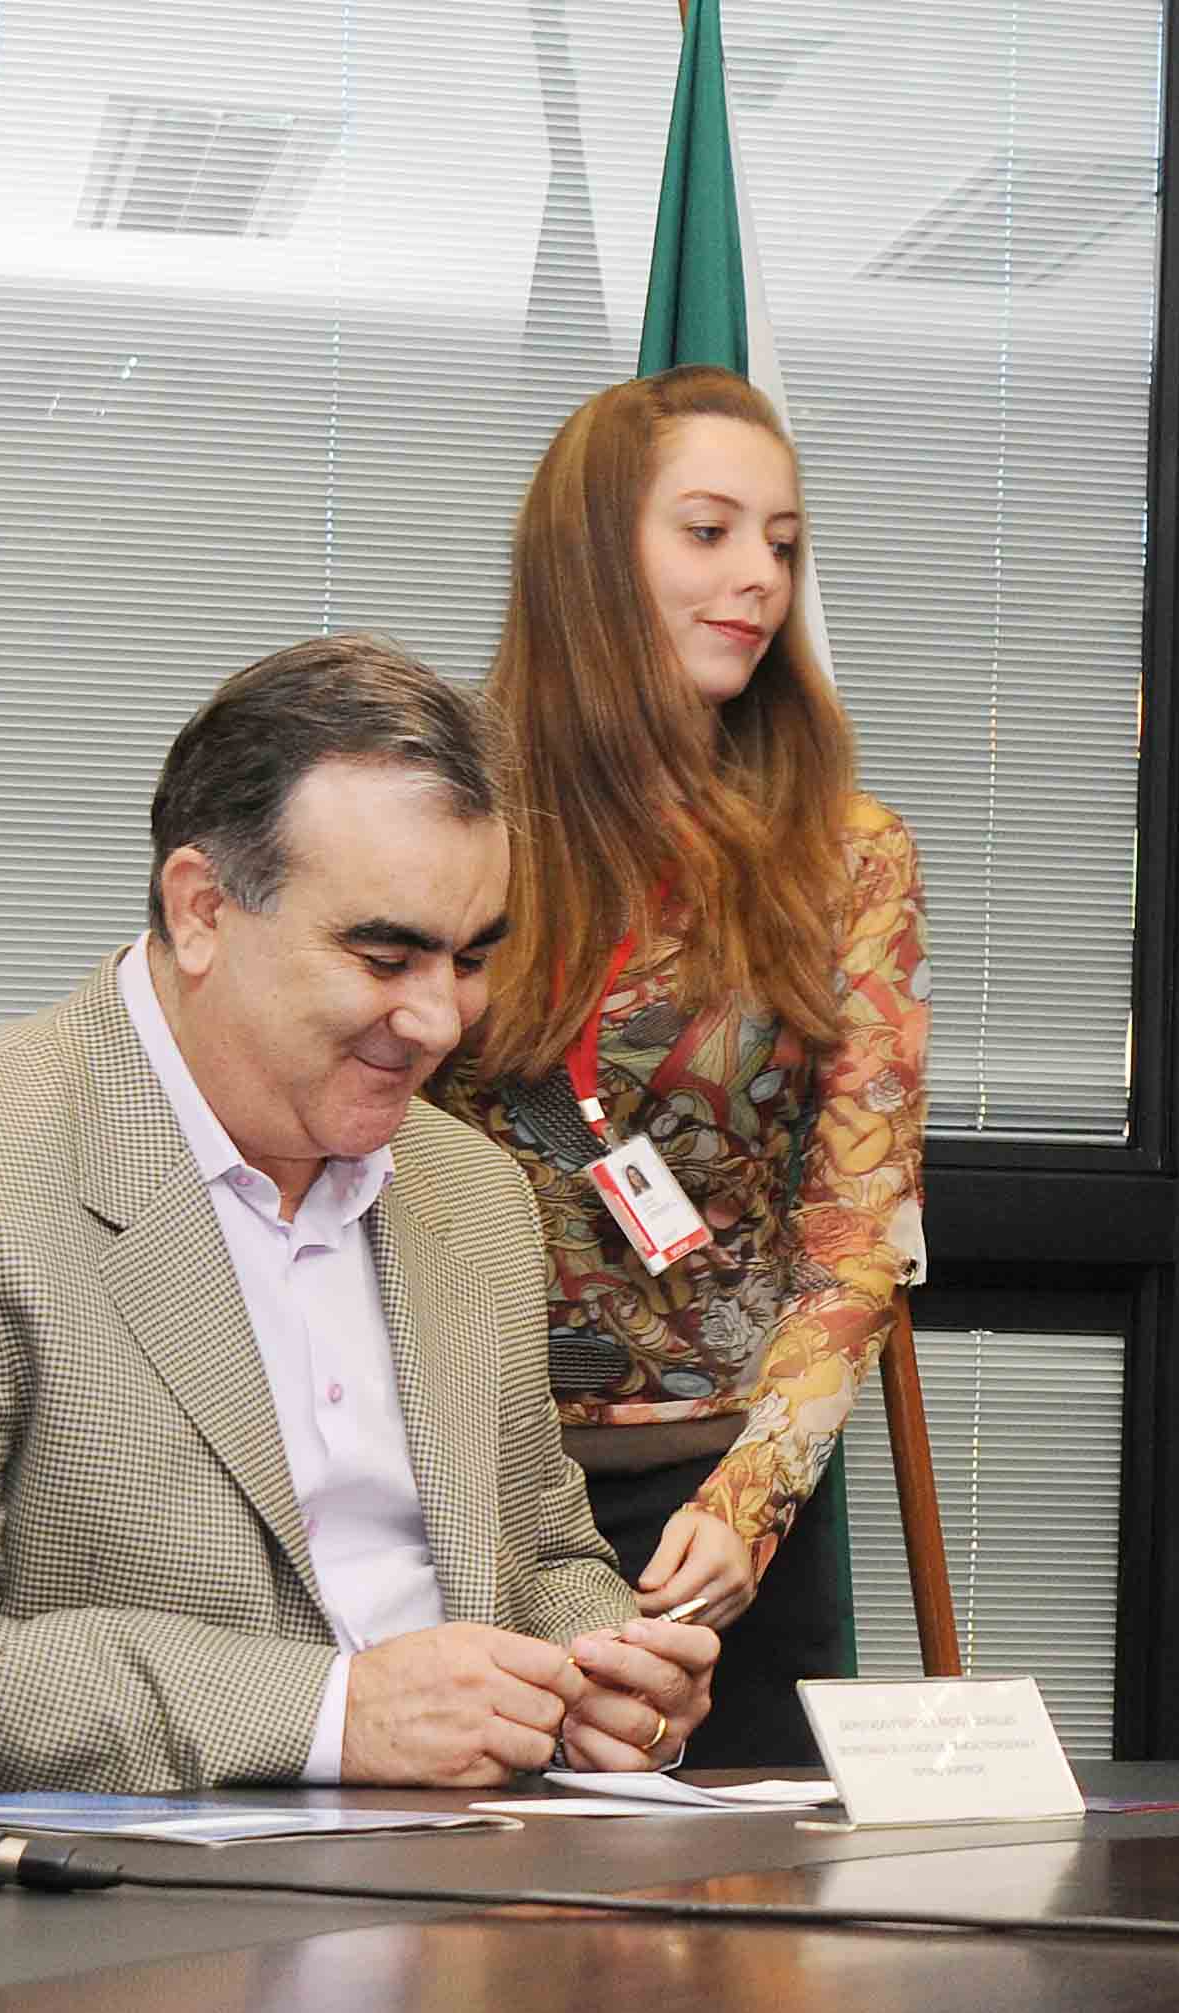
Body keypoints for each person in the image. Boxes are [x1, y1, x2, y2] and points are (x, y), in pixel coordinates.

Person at [0, 635, 714, 1797]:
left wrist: (605, 1678)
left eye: (471, 958)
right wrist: (337, 1714)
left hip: (474, 1892)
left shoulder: (471, 1192)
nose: (441, 1019)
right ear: (200, 909)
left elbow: (542, 1554)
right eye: (385, 953)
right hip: (81, 1930)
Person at [432, 367, 928, 1768]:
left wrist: (754, 1498)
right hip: (460, 1494)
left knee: (735, 1955)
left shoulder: (848, 851)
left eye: (781, 540)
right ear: (594, 555)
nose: (757, 577)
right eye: (708, 532)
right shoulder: (443, 808)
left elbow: (859, 1227)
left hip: (725, 1514)